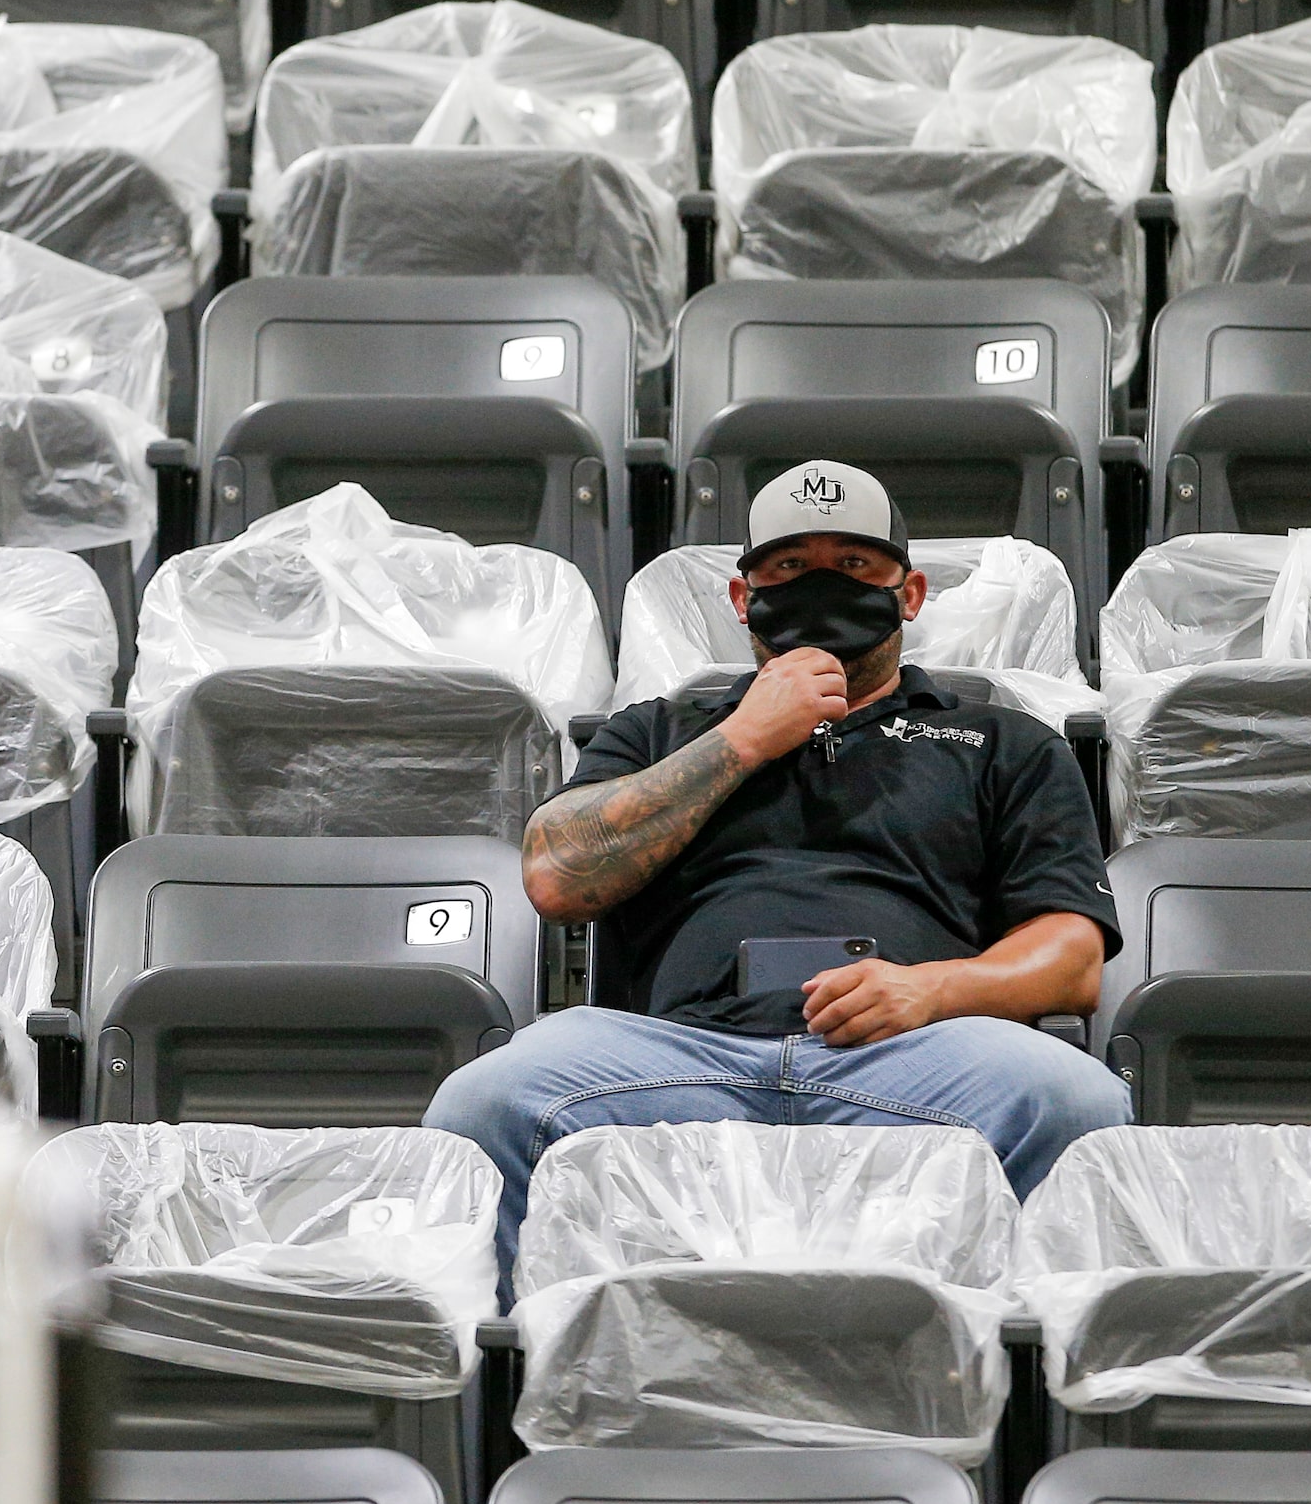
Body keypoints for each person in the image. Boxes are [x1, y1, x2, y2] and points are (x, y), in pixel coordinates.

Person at [424, 459, 1130, 1279]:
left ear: (909, 594)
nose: (821, 587)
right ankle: (518, 1383)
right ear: (741, 597)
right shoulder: (655, 730)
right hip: (676, 1052)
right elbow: (558, 876)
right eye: (790, 568)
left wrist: (932, 990)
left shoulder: (1005, 743)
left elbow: (1071, 960)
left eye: (854, 566)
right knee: (482, 1102)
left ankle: (1025, 1390)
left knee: (1077, 1099)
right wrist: (745, 737)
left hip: (915, 1053)